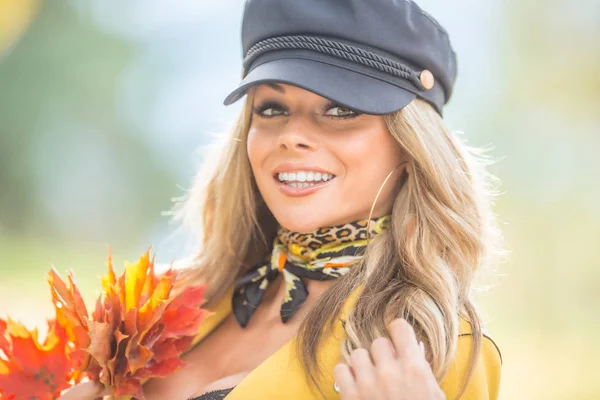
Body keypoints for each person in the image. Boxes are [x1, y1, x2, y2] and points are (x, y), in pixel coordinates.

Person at [60, 0, 503, 399]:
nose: (292, 136)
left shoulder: (434, 345)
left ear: (410, 147)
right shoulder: (166, 303)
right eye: (272, 108)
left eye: (341, 109)